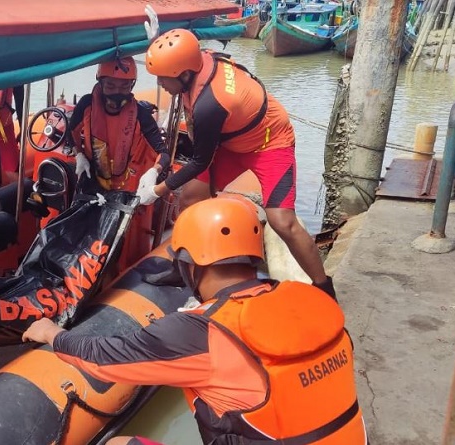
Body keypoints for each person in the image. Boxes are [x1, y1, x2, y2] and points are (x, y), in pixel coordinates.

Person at [22, 195, 366, 445]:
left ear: (190, 265)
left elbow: (101, 359)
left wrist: (51, 332)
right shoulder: (310, 302)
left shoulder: (203, 331)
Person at [136, 29, 336, 297]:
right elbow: (181, 49)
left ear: (183, 74)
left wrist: (156, 190)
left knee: (282, 221)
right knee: (190, 198)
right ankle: (179, 269)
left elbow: (199, 161)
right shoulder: (195, 64)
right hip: (233, 141)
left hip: (270, 142)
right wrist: (156, 37)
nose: (160, 83)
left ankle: (324, 287)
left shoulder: (210, 104)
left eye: (163, 77)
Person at [67, 56, 171, 267]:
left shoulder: (141, 114)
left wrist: (154, 171)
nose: (117, 92)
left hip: (127, 188)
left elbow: (164, 153)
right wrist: (78, 154)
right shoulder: (86, 105)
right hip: (94, 183)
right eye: (110, 85)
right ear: (100, 82)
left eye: (124, 86)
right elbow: (71, 133)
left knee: (123, 248)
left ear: (132, 86)